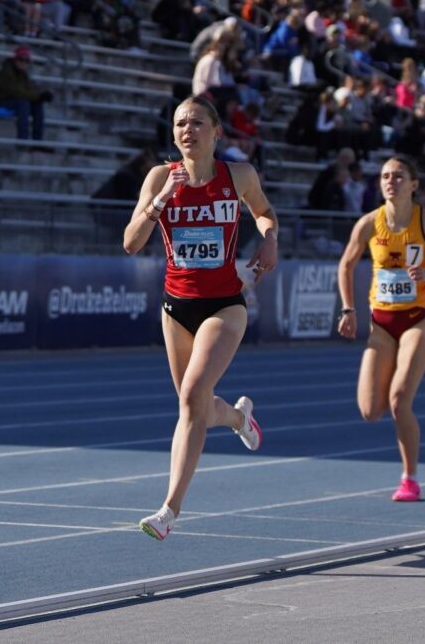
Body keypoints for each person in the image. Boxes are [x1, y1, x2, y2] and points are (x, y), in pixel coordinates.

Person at [122, 96, 278, 540]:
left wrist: (269, 240)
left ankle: (169, 511)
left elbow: (264, 212)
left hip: (224, 304)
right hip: (176, 307)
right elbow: (131, 243)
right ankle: (238, 419)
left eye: (195, 123)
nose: (186, 131)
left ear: (216, 132)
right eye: (179, 124)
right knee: (196, 406)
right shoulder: (159, 178)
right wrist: (160, 203)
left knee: (192, 394)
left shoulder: (238, 175)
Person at [336, 156, 425, 502]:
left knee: (399, 400)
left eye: (399, 176)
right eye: (386, 176)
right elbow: (345, 266)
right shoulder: (368, 224)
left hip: (419, 318)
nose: (391, 181)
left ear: (414, 184)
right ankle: (407, 457)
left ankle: (410, 478)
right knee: (369, 410)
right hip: (381, 321)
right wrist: (349, 308)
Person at [0, 45, 51, 140]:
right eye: (21, 59)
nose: (23, 63)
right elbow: (15, 92)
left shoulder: (24, 75)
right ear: (15, 60)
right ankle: (22, 139)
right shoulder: (6, 73)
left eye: (26, 61)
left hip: (12, 102)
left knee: (37, 105)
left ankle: (38, 140)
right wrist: (38, 96)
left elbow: (30, 90)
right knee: (23, 103)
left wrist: (41, 96)